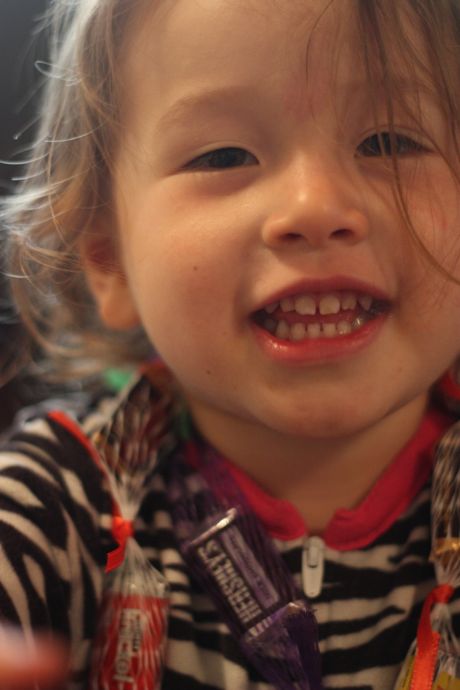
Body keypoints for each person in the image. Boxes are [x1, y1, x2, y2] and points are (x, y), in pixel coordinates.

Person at [1, 0, 460, 688]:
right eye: (223, 155)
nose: (315, 207)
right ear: (109, 260)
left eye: (389, 142)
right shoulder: (61, 499)